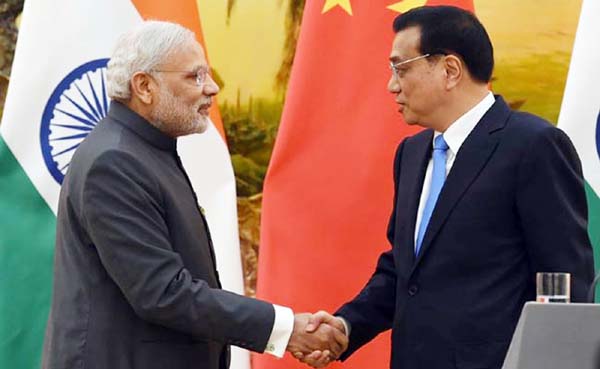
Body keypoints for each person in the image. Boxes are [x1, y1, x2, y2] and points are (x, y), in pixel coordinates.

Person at [297, 5, 594, 369]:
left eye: (401, 68)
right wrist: (346, 326)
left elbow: (563, 284)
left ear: (450, 70)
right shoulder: (412, 153)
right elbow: (405, 272)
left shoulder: (534, 146)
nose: (391, 85)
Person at [41, 21, 346, 369]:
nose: (212, 88)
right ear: (144, 86)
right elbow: (163, 292)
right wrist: (287, 328)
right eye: (195, 77)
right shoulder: (115, 162)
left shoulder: (145, 150)